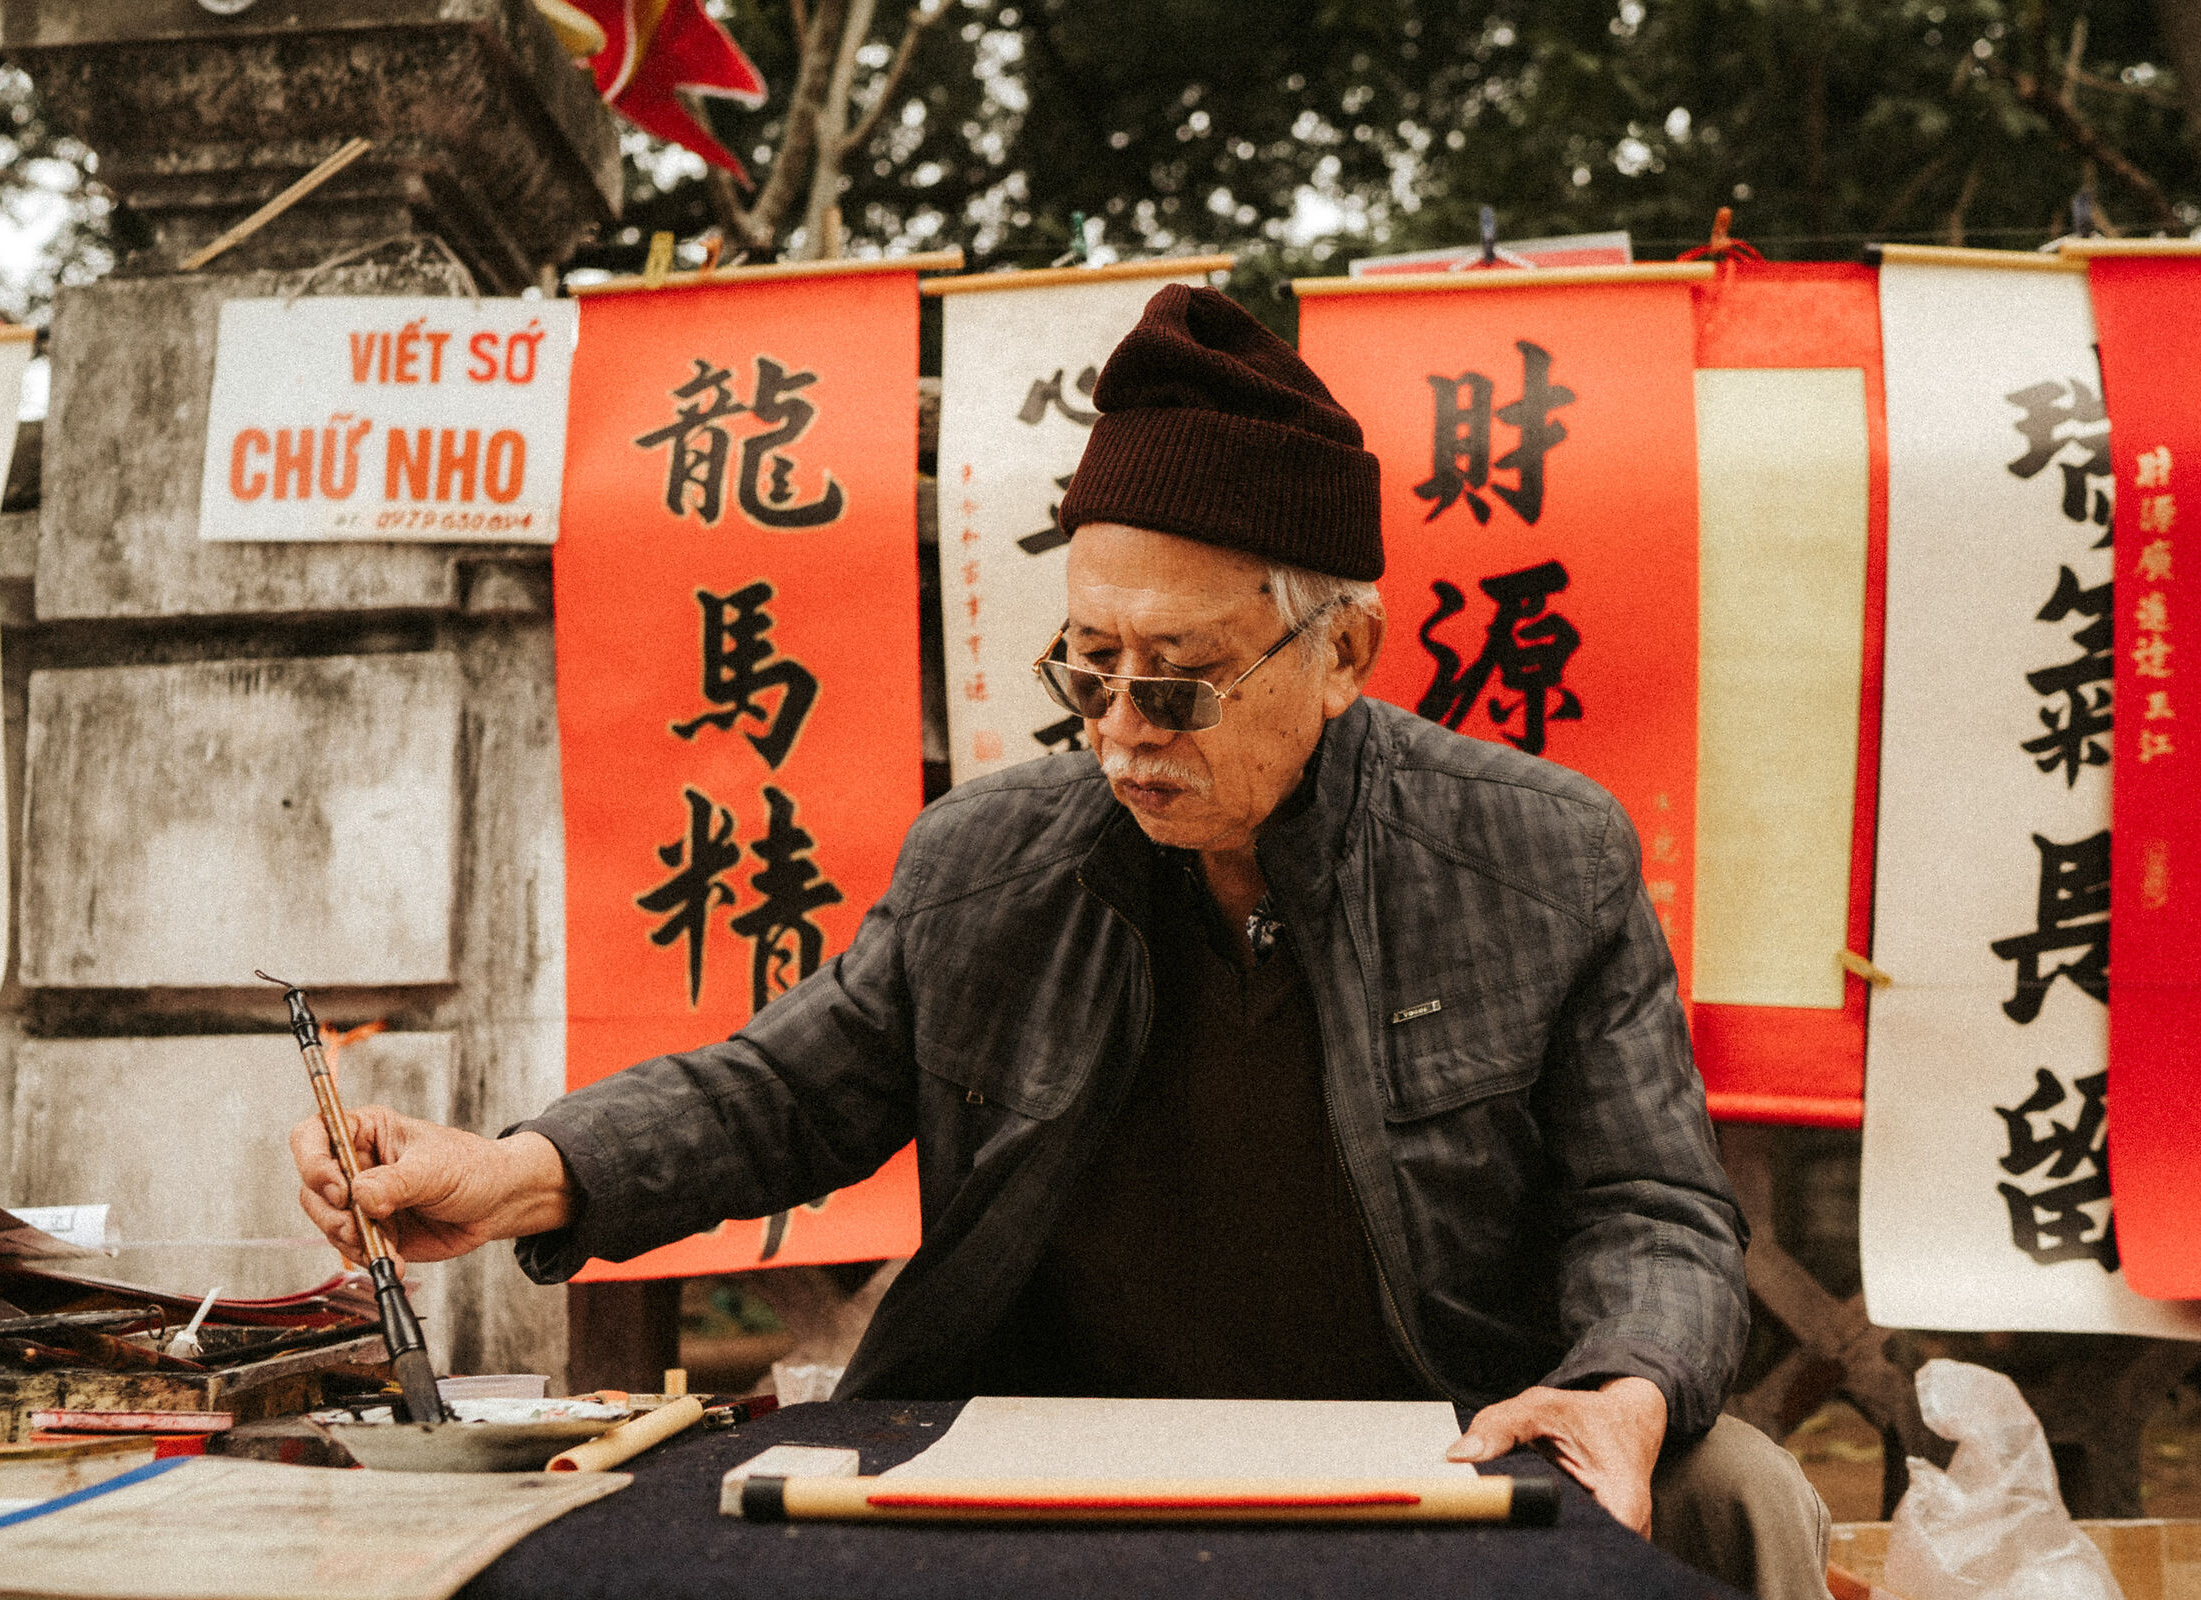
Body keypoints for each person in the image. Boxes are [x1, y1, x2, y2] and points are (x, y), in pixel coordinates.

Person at [293, 285, 1832, 1599]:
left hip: (1436, 1422)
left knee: (1744, 1494)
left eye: (1179, 683)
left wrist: (1621, 1390)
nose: (1120, 737)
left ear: (1344, 651)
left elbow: (1655, 1205)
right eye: (1088, 670)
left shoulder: (1539, 855)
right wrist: (516, 1170)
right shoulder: (993, 860)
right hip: (1037, 1425)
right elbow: (783, 1091)